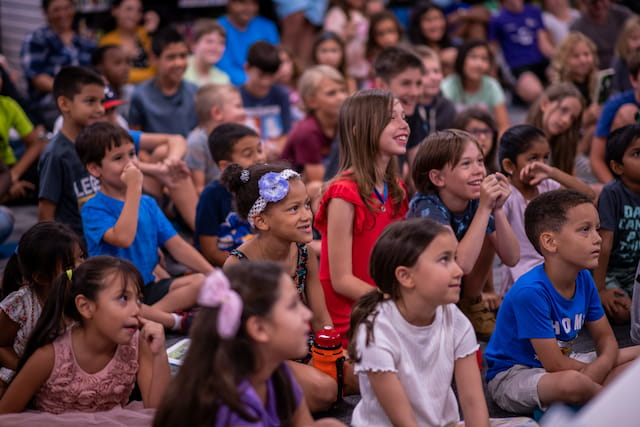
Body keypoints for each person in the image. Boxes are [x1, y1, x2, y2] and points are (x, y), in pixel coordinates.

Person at [485, 189, 640, 415]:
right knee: (573, 383)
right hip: (515, 374)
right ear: (549, 242)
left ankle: (589, 397)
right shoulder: (530, 292)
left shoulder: (584, 278)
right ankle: (612, 404)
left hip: (568, 363)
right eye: (585, 230)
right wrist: (599, 370)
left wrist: (600, 366)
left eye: (597, 229)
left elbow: (605, 338)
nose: (598, 238)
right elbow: (554, 365)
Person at [153, 264, 343, 426]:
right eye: (293, 306)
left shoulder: (277, 371)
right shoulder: (232, 408)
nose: (307, 315)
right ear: (259, 328)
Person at [349, 217, 491, 426]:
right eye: (444, 259)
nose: (459, 270)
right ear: (405, 276)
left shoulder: (455, 318)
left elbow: (473, 403)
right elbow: (404, 422)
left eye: (455, 258)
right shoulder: (376, 332)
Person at [222, 163, 340, 411]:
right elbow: (236, 339)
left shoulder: (304, 253)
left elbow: (320, 318)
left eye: (306, 204)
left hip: (299, 345)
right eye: (294, 208)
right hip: (260, 357)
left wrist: (332, 352)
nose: (307, 215)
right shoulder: (238, 266)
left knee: (357, 376)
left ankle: (291, 395)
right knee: (327, 389)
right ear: (262, 221)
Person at [76, 122, 213, 330]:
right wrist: (134, 187)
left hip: (146, 287)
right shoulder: (93, 209)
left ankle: (144, 318)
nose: (130, 163)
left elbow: (176, 245)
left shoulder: (146, 203)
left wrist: (214, 274)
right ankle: (169, 321)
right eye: (118, 158)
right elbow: (123, 238)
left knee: (202, 282)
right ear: (95, 169)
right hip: (115, 293)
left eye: (132, 154)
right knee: (119, 305)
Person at [0, 256, 170, 419]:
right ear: (85, 306)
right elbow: (5, 414)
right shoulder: (49, 356)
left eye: (139, 300)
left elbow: (158, 412)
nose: (136, 310)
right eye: (123, 298)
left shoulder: (138, 344)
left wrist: (160, 353)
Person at [315, 89, 409, 346]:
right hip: (354, 314)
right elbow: (341, 280)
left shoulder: (396, 187)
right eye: (392, 118)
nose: (404, 125)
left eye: (404, 117)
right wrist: (397, 303)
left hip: (386, 301)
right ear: (359, 129)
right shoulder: (343, 193)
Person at [407, 129, 519, 339]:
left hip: (456, 283)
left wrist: (497, 209)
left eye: (480, 161)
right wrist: (485, 209)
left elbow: (512, 257)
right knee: (479, 225)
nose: (478, 170)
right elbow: (459, 265)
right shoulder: (426, 206)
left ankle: (470, 301)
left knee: (484, 230)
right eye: (466, 164)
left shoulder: (477, 201)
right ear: (438, 177)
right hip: (422, 290)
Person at [499, 125, 594, 295]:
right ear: (509, 165)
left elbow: (588, 195)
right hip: (522, 274)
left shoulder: (547, 185)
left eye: (545, 158)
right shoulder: (506, 195)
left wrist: (552, 172)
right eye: (533, 158)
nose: (541, 165)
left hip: (554, 265)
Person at [0, 222, 83, 396]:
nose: (80, 269)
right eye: (69, 267)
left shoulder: (82, 299)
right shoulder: (20, 305)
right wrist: (25, 370)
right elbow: (1, 345)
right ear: (42, 278)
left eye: (81, 258)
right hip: (23, 374)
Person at [37, 66, 104, 236]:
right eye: (90, 101)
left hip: (103, 232)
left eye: (101, 101)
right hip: (76, 244)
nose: (100, 109)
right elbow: (46, 216)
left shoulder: (99, 143)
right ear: (64, 104)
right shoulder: (56, 154)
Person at [20, 0, 96, 130]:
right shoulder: (37, 38)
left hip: (85, 98)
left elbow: (95, 71)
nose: (63, 14)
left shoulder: (84, 39)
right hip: (51, 101)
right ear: (46, 13)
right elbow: (37, 78)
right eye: (56, 10)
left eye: (67, 8)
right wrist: (74, 93)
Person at [195, 123, 264, 267]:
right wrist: (249, 266)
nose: (259, 158)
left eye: (259, 150)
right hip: (230, 266)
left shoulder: (269, 186)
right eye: (248, 154)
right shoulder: (212, 195)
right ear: (226, 166)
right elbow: (209, 251)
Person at [593, 124, 640, 325]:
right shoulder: (612, 193)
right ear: (618, 167)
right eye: (637, 154)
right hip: (610, 269)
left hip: (636, 269)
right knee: (623, 312)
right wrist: (600, 289)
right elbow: (604, 245)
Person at [281, 65, 347, 183]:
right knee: (315, 187)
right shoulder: (307, 131)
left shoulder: (342, 123)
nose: (341, 97)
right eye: (331, 93)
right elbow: (319, 180)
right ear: (311, 101)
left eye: (343, 90)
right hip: (292, 190)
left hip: (331, 180)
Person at [128, 26, 198, 137]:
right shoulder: (140, 95)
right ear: (154, 59)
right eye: (171, 57)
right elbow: (136, 139)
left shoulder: (195, 92)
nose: (179, 63)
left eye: (183, 56)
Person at [373, 46, 426, 179]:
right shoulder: (362, 119)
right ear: (381, 85)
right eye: (406, 83)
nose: (415, 92)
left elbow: (418, 175)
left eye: (419, 83)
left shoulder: (412, 114)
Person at [489, 0, 554, 105]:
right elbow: (493, 50)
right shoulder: (497, 19)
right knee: (535, 92)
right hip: (518, 66)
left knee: (560, 78)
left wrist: (560, 60)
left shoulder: (534, 11)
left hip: (540, 61)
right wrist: (493, 76)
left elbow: (544, 44)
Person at [186, 84, 247, 194]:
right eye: (238, 106)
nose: (244, 112)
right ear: (217, 113)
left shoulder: (238, 137)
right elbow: (198, 188)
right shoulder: (197, 143)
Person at [591, 51, 640, 184]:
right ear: (634, 80)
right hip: (621, 173)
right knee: (628, 112)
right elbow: (596, 158)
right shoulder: (615, 104)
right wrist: (613, 190)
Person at [441, 40, 510, 134]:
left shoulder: (492, 85)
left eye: (484, 59)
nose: (478, 64)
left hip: (485, 139)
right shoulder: (447, 86)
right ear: (461, 59)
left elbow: (503, 126)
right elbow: (442, 128)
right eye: (473, 57)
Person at [241, 41, 292, 161]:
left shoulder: (281, 94)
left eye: (271, 76)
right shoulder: (236, 96)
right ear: (247, 68)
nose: (266, 82)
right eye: (261, 75)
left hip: (275, 157)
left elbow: (286, 133)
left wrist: (277, 149)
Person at [0, 73, 46, 203]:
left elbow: (35, 143)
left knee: (47, 164)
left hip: (7, 167)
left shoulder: (8, 105)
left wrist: (14, 175)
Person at [525, 82, 585, 176]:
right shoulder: (520, 140)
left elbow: (571, 183)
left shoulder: (564, 146)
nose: (566, 121)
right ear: (545, 104)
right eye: (563, 110)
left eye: (572, 118)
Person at [216, 0, 279, 86]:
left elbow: (275, 60)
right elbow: (223, 66)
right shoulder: (218, 27)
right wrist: (253, 82)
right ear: (230, 4)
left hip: (265, 83)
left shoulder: (267, 26)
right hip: (230, 85)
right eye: (242, 2)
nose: (249, 8)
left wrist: (266, 79)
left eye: (254, 3)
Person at [99, 0, 155, 84]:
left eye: (139, 10)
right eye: (129, 9)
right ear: (115, 11)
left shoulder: (146, 34)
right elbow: (114, 75)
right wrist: (150, 75)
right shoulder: (107, 41)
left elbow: (158, 66)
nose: (134, 15)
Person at [570, 0, 632, 69]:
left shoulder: (623, 16)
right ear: (584, 3)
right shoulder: (577, 27)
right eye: (593, 2)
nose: (599, 5)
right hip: (595, 71)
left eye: (602, 1)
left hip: (626, 65)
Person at [323, 0, 370, 83]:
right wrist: (346, 34)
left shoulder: (363, 13)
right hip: (343, 71)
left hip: (361, 70)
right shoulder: (336, 13)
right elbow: (329, 41)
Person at [407, 2, 458, 77]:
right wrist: (440, 59)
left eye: (438, 18)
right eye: (428, 20)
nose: (435, 25)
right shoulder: (410, 51)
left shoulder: (455, 44)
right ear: (418, 25)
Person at [183, 19, 230, 87]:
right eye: (209, 41)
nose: (215, 47)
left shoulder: (223, 79)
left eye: (221, 42)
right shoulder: (180, 67)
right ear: (194, 45)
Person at [452, 107, 499, 173]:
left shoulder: (498, 174)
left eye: (486, 131)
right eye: (475, 131)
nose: (483, 137)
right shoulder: (451, 174)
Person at [612, 15, 640, 95]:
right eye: (634, 39)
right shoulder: (619, 62)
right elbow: (614, 89)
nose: (639, 43)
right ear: (625, 41)